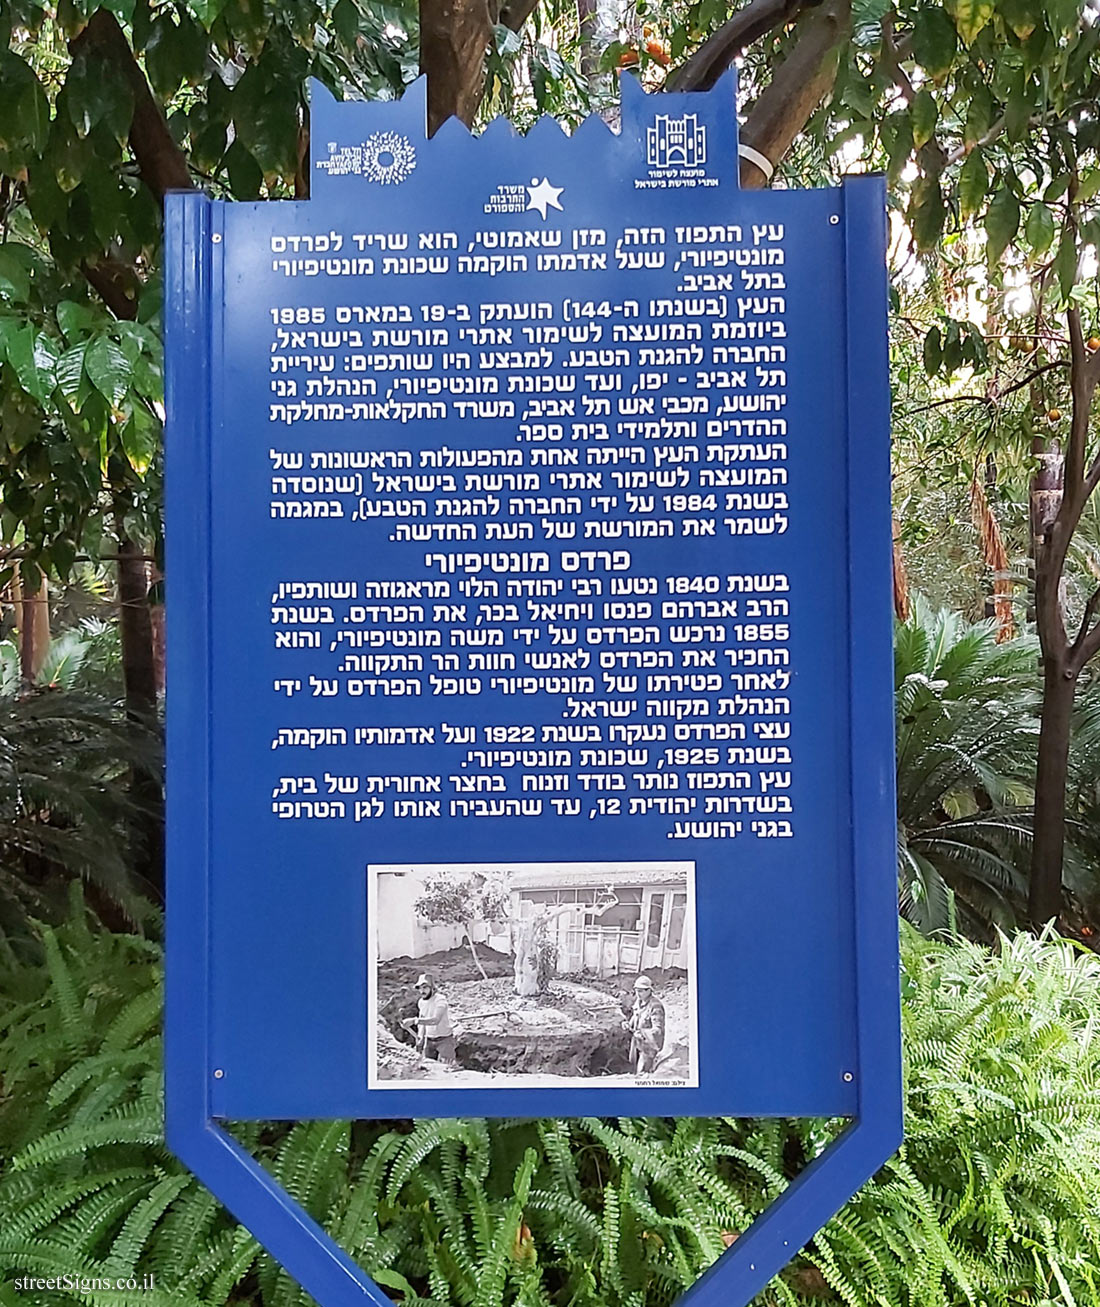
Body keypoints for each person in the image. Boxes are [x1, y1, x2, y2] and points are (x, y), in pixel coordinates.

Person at [403, 973, 456, 1065]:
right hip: (429, 1040)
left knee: (449, 1066)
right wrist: (421, 1039)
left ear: (432, 987)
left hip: (444, 1039)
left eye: (425, 987)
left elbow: (435, 1020)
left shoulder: (440, 1000)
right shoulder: (421, 1002)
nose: (422, 991)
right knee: (429, 1067)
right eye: (420, 988)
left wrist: (414, 1020)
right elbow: (422, 1021)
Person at [625, 974, 665, 1074]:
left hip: (648, 1047)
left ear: (649, 990)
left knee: (642, 1072)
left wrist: (643, 1033)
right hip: (637, 1043)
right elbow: (635, 1017)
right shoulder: (638, 1002)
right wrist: (627, 1024)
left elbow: (658, 1029)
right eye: (637, 990)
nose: (638, 993)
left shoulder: (655, 1006)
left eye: (641, 991)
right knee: (633, 1068)